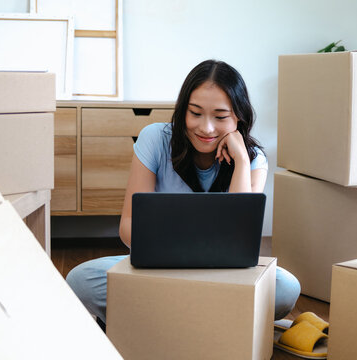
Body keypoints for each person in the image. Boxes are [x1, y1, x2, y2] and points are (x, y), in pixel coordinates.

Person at [66, 59, 300, 330]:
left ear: (239, 117)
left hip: (225, 276)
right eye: (195, 113)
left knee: (286, 287)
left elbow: (240, 239)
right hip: (160, 271)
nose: (206, 128)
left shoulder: (252, 158)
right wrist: (171, 256)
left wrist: (241, 162)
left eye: (221, 116)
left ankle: (168, 319)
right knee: (80, 279)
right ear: (183, 110)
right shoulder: (155, 138)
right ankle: (209, 321)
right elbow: (128, 227)